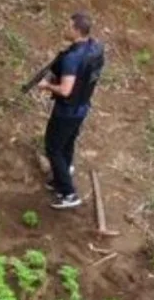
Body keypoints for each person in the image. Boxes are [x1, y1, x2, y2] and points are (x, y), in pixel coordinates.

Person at [38, 12, 105, 210]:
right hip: (82, 107)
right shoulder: (95, 49)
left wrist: (46, 86)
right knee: (66, 143)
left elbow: (66, 90)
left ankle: (68, 193)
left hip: (66, 111)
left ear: (76, 30)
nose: (64, 28)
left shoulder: (72, 59)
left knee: (53, 147)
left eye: (68, 26)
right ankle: (62, 175)